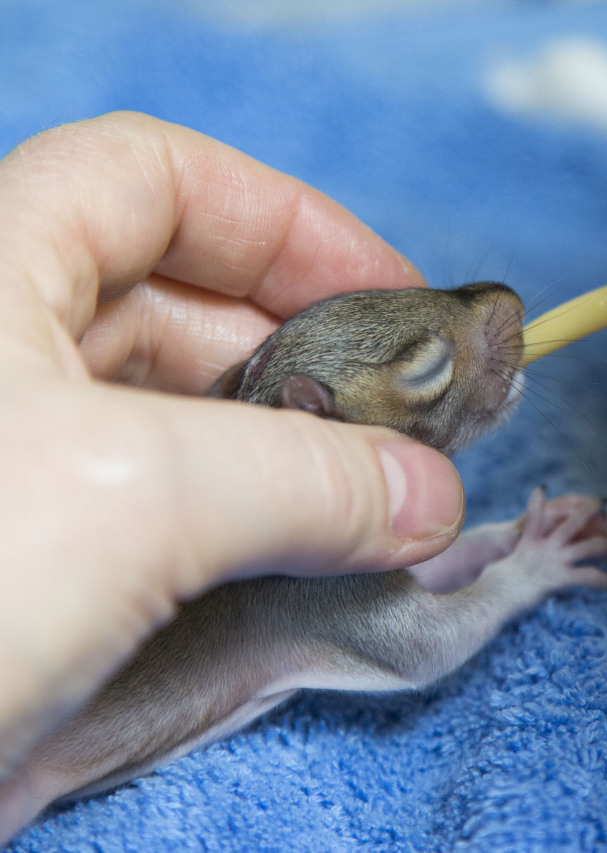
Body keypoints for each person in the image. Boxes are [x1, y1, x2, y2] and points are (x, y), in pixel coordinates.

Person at [0, 111, 466, 778]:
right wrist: (528, 568)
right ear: (312, 418)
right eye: (427, 370)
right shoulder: (293, 569)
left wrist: (503, 543)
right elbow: (415, 641)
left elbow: (395, 591)